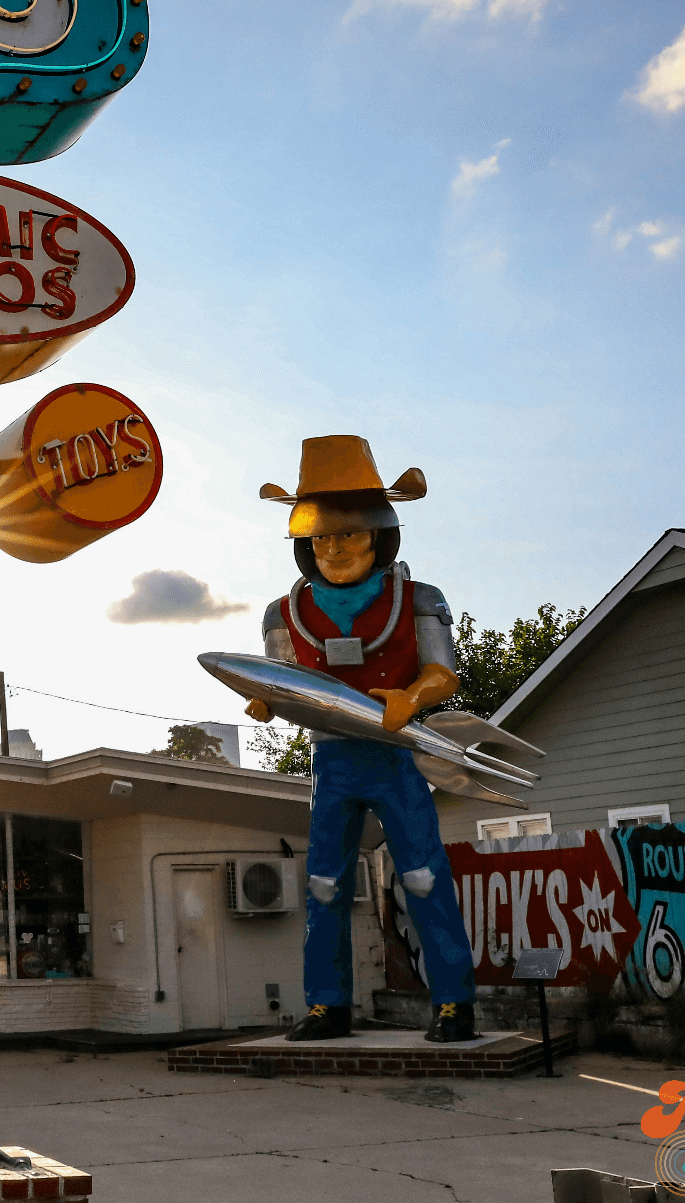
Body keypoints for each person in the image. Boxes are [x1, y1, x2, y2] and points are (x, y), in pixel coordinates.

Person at [249, 435, 479, 1044]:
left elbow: (442, 672)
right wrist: (267, 701)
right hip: (333, 761)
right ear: (305, 542)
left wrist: (414, 699)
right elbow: (281, 680)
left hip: (398, 757)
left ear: (379, 535)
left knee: (424, 876)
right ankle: (328, 1005)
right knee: (323, 882)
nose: (336, 547)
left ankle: (454, 1001)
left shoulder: (418, 599)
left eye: (349, 534)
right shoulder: (284, 614)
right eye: (323, 536)